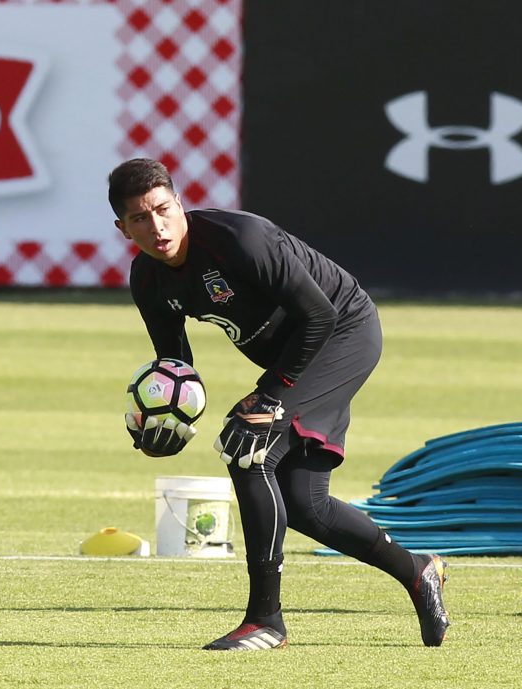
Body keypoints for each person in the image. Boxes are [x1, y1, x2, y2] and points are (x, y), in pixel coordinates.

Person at [109, 158, 450, 650]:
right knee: (306, 505)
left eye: (163, 209)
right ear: (122, 228)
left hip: (343, 332)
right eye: (140, 218)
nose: (157, 226)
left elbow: (320, 314)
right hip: (296, 357)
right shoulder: (148, 279)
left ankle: (265, 620)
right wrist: (165, 425)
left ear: (179, 203)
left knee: (247, 447)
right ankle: (418, 571)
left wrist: (269, 394)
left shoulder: (239, 239)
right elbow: (175, 369)